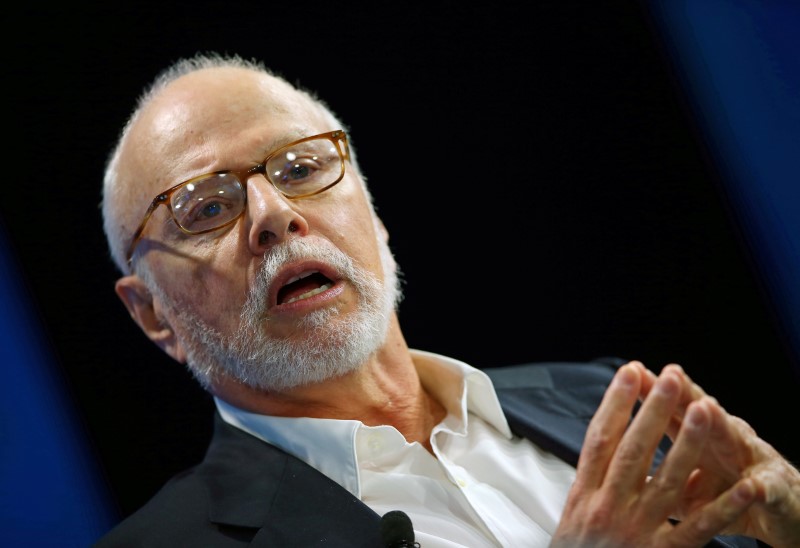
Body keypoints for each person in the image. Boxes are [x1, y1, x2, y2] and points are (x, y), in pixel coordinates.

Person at [95, 51, 800, 547]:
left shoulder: (603, 402)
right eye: (205, 208)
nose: (274, 213)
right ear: (153, 313)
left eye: (302, 167)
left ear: (371, 212)